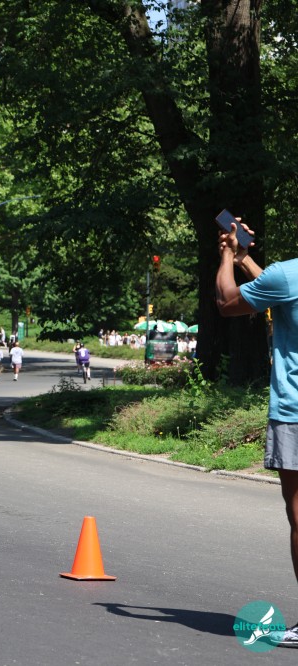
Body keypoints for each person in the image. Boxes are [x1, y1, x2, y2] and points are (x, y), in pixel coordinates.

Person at [216, 217, 298, 647]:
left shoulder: (290, 274)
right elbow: (277, 289)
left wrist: (228, 255)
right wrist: (247, 259)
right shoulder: (283, 278)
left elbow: (227, 302)